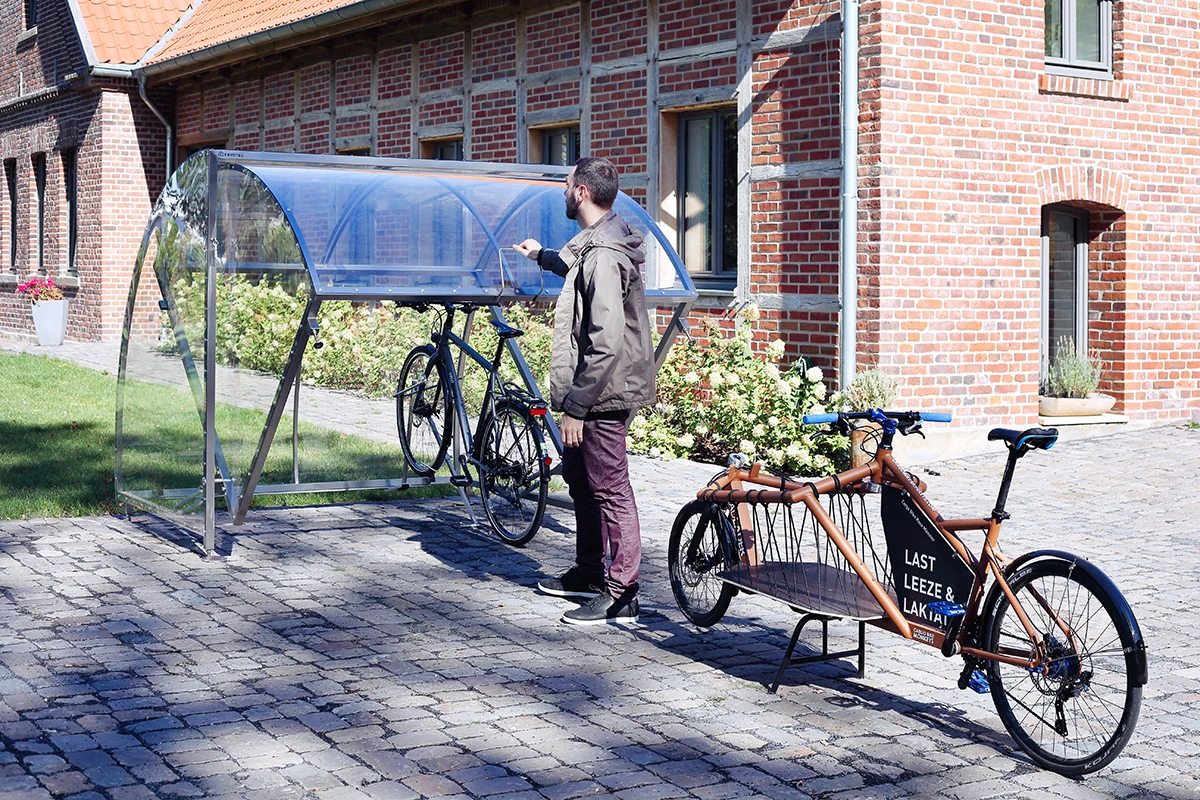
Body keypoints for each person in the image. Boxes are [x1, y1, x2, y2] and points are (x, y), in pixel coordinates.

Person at [513, 157, 655, 626]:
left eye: (567, 183)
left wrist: (576, 407)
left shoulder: (607, 256)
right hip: (590, 392)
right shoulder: (599, 243)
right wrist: (540, 256)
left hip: (601, 395)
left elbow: (606, 339)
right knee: (581, 481)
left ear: (580, 193)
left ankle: (622, 592)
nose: (564, 189)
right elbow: (577, 270)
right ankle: (591, 571)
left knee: (610, 489)